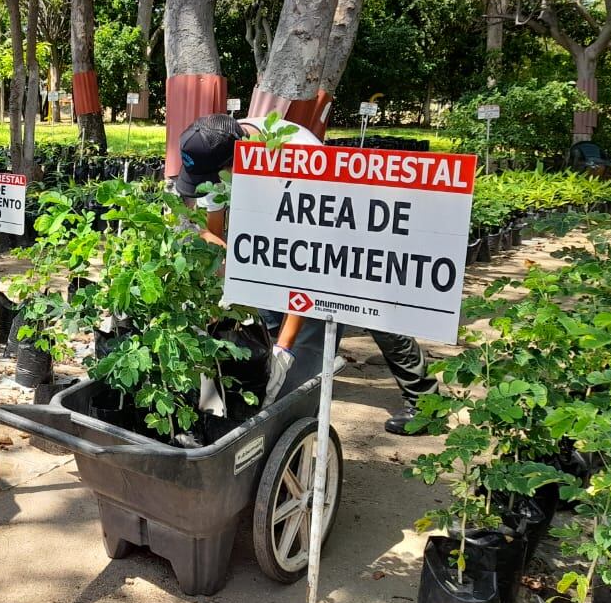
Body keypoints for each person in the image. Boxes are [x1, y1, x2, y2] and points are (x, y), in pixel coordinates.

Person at [173, 113, 437, 433]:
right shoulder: (216, 151)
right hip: (277, 230)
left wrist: (284, 349)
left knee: (370, 303)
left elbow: (309, 270)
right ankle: (269, 375)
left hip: (337, 230)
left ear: (237, 160)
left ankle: (426, 401)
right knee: (264, 299)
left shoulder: (297, 154)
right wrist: (230, 285)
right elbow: (216, 235)